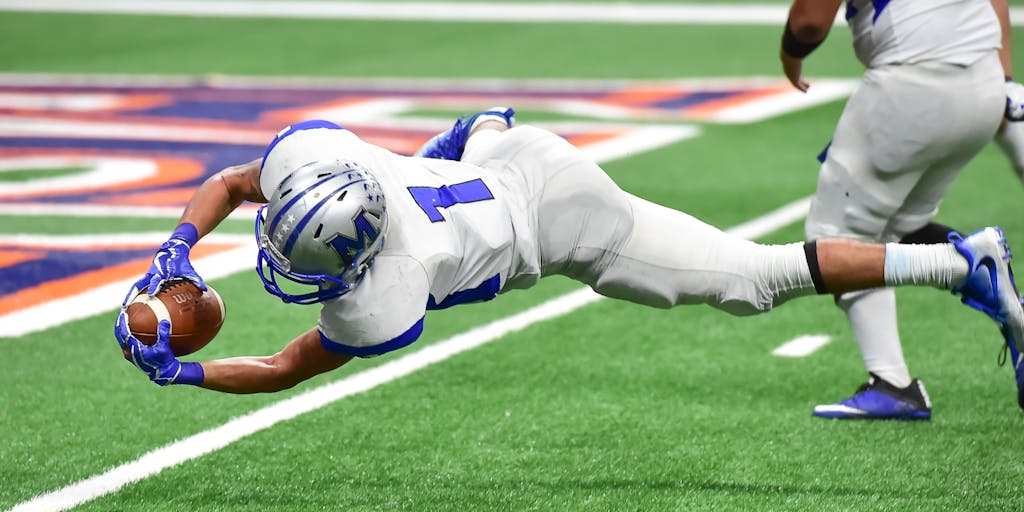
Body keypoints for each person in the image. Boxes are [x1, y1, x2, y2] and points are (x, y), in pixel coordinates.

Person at [114, 108, 1024, 402]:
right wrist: (174, 251)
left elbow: (282, 363)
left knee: (755, 280)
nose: (273, 249)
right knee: (460, 147)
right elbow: (236, 187)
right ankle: (962, 264)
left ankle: (961, 262)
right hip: (507, 153)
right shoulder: (323, 165)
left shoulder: (379, 296)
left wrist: (185, 378)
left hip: (559, 223)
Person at [779, 0, 1024, 420]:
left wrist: (790, 55)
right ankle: (980, 271)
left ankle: (894, 382)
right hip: (983, 77)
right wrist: (1001, 79)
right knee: (897, 226)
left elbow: (809, 22)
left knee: (836, 236)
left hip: (914, 81)